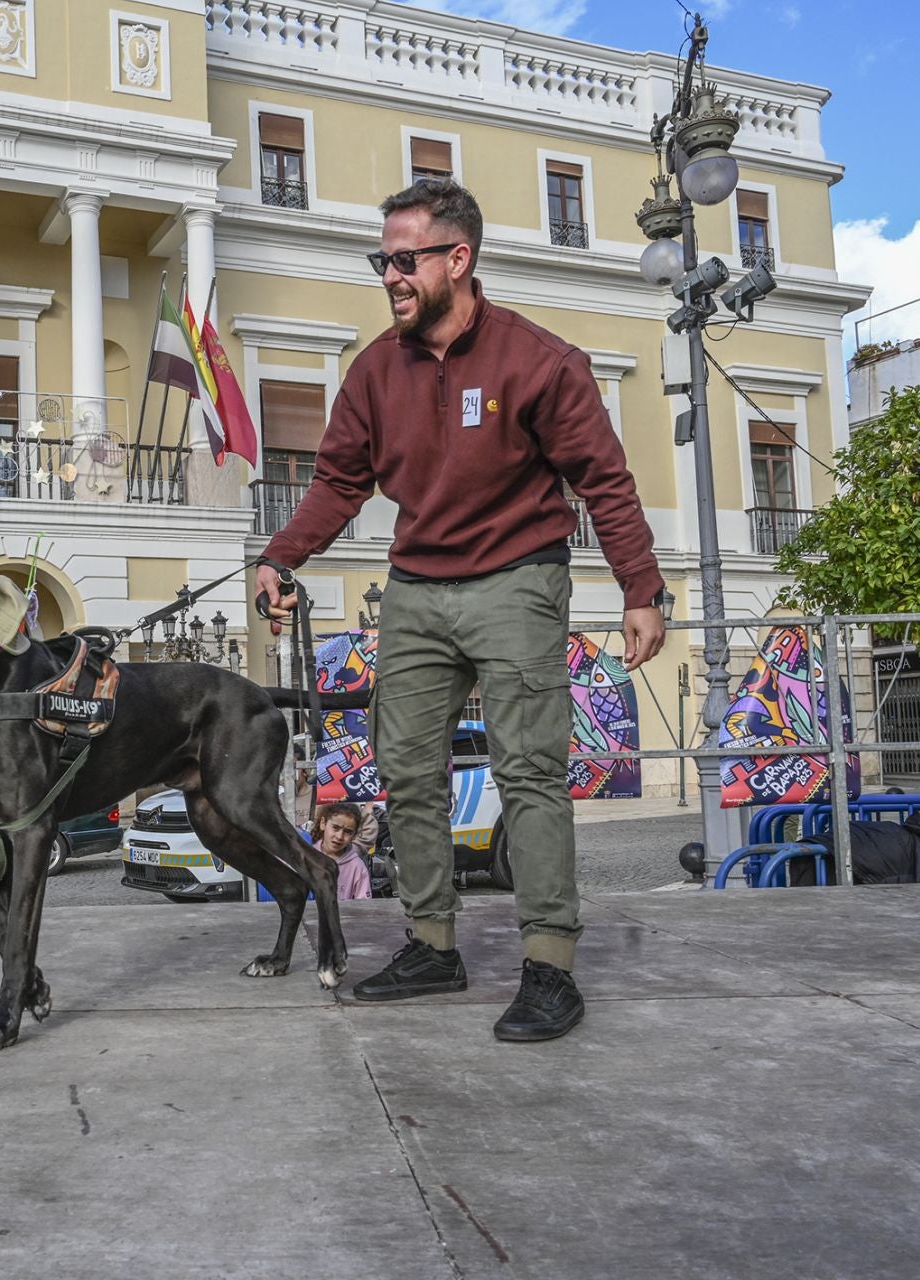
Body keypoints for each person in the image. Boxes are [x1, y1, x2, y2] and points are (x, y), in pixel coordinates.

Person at [254, 178, 664, 1044]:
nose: (390, 276)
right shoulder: (374, 371)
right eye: (383, 261)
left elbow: (604, 482)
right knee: (404, 770)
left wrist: (639, 588)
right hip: (416, 587)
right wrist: (281, 554)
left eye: (404, 260)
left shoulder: (539, 361)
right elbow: (337, 483)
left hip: (518, 577)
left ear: (458, 259)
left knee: (527, 774)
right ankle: (433, 944)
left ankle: (550, 969)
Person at [307, 802, 371, 902]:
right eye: (335, 828)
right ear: (323, 824)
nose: (339, 836)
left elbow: (363, 906)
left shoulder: (357, 867)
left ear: (354, 835)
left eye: (348, 832)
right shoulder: (307, 857)